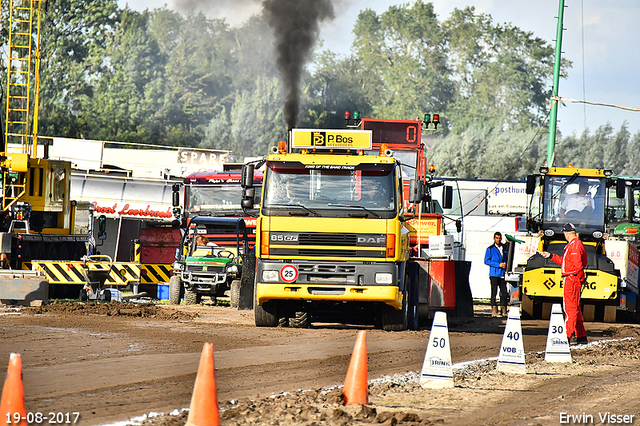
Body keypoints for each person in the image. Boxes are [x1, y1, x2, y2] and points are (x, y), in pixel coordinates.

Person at [540, 223, 588, 345]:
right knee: (575, 308)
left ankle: (567, 335)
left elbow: (577, 266)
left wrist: (579, 279)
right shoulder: (574, 245)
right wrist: (550, 256)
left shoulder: (574, 246)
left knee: (570, 309)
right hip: (572, 278)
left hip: (571, 279)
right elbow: (567, 262)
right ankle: (581, 335)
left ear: (566, 233)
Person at [484, 232, 509, 317]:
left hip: (502, 273)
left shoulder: (504, 247)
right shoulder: (490, 249)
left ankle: (504, 309)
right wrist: (498, 264)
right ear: (494, 239)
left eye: (499, 238)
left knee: (504, 293)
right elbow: (486, 261)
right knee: (494, 292)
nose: (498, 240)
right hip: (494, 274)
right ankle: (494, 311)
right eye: (497, 238)